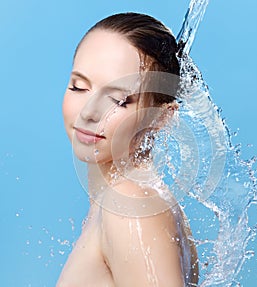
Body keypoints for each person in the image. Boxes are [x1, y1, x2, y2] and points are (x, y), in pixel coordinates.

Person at [57, 12, 199, 287]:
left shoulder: (130, 208)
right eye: (79, 87)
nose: (89, 112)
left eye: (119, 100)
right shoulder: (124, 202)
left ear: (161, 117)